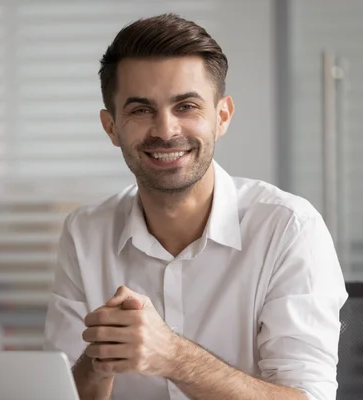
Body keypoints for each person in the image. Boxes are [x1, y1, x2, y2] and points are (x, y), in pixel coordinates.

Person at [44, 13, 347, 400]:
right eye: (140, 110)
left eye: (186, 106)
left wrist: (172, 356)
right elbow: (60, 391)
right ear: (111, 128)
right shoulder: (84, 231)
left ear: (222, 116)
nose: (165, 130)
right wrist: (100, 355)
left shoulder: (289, 227)